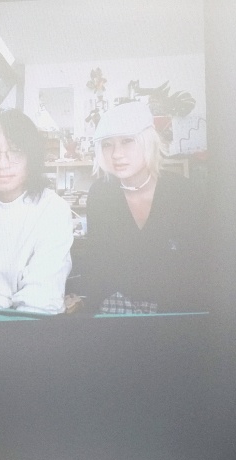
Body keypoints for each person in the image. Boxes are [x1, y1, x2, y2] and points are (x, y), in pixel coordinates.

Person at [80, 100, 207, 314]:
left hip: (175, 310)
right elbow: (97, 264)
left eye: (127, 141)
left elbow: (199, 267)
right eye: (107, 144)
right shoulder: (100, 193)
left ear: (148, 141)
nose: (116, 154)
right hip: (115, 308)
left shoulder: (183, 192)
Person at [0, 107, 74, 314]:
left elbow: (42, 299)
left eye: (15, 150)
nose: (2, 163)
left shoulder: (53, 210)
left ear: (31, 156)